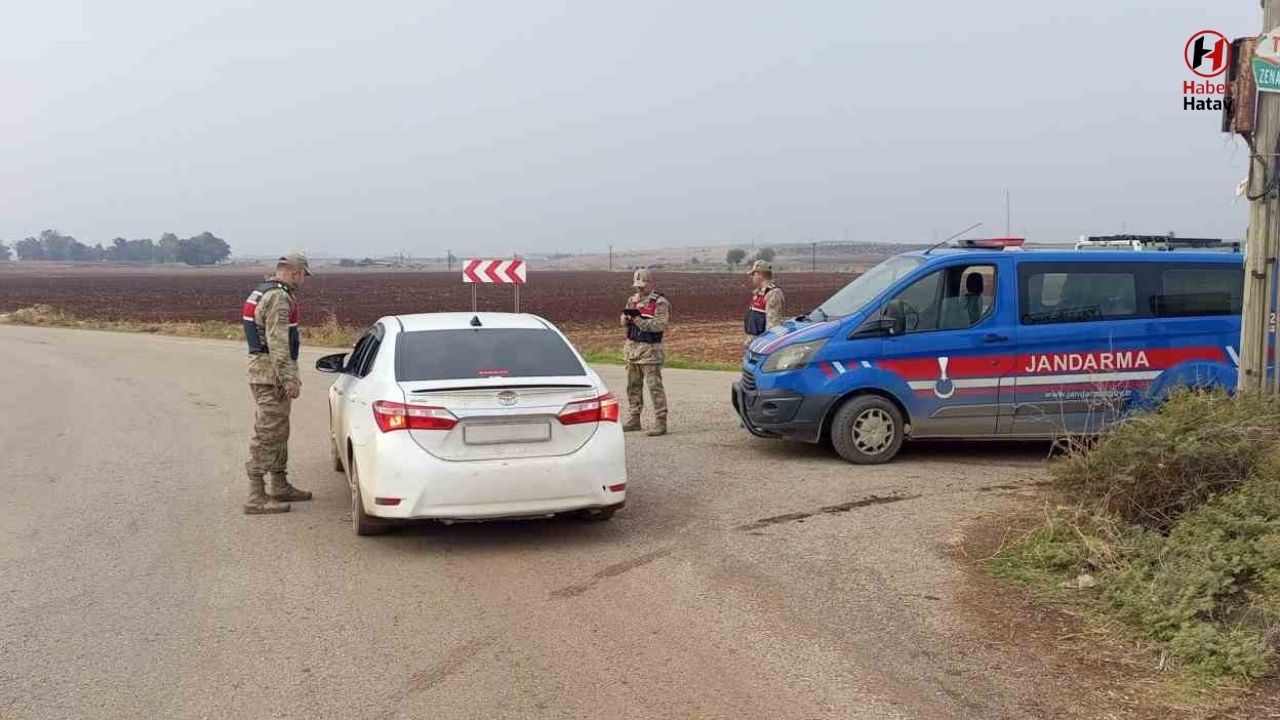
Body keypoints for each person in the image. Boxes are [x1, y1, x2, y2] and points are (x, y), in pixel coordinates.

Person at [241, 252, 314, 514]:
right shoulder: (279, 297)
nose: (303, 280)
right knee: (269, 433)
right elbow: (278, 342)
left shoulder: (263, 291)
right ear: (295, 272)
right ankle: (256, 496)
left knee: (279, 430)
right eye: (303, 275)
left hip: (263, 372)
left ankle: (279, 485)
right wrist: (289, 378)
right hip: (271, 376)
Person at [621, 267, 670, 436]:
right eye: (637, 285)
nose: (639, 289)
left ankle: (660, 422)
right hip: (632, 351)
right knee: (632, 386)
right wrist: (626, 319)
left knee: (654, 387)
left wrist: (638, 320)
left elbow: (660, 325)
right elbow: (622, 321)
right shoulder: (632, 300)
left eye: (642, 285)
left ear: (650, 283)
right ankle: (634, 419)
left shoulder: (660, 302)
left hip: (650, 353)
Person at [744, 260, 785, 341]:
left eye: (753, 274)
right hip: (753, 341)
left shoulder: (773, 293)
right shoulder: (758, 293)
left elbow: (772, 325)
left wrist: (765, 344)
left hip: (762, 343)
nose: (752, 278)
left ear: (759, 274)